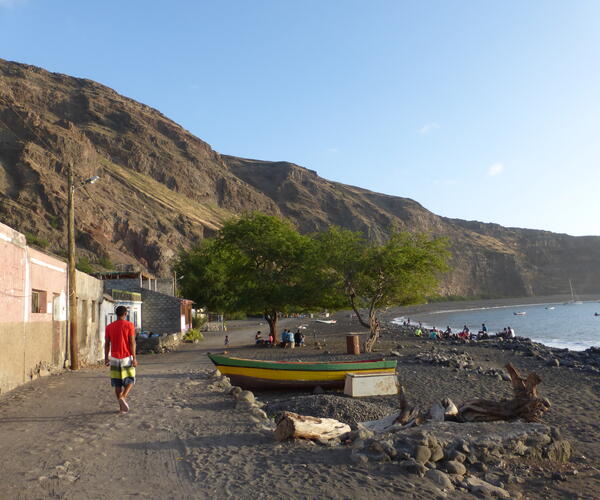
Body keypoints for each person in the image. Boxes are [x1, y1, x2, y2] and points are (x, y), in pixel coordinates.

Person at [104, 305, 137, 414]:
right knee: (130, 379)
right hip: (126, 357)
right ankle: (123, 396)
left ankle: (121, 408)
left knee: (117, 383)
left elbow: (107, 343)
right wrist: (134, 358)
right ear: (125, 314)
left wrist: (106, 358)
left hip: (114, 357)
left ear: (116, 314)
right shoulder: (129, 325)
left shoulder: (109, 327)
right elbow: (132, 342)